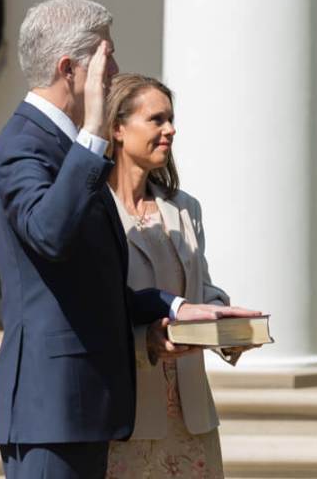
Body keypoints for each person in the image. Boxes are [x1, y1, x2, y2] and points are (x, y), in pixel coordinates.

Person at [0, 0, 258, 479]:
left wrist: (173, 307)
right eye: (108, 57)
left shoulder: (68, 151)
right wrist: (93, 132)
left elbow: (95, 283)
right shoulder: (26, 145)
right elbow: (50, 235)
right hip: (53, 407)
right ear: (70, 69)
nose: (116, 70)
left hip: (88, 406)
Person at [103, 73, 256, 478]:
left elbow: (199, 289)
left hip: (191, 417)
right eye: (156, 119)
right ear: (118, 128)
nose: (170, 129)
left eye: (171, 119)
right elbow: (96, 307)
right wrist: (146, 338)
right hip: (126, 417)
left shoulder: (184, 208)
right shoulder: (93, 210)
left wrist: (227, 320)